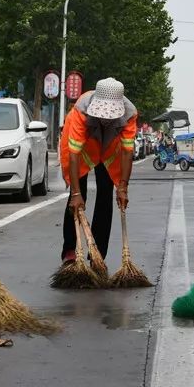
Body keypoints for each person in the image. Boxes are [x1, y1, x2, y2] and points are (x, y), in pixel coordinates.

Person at [59, 77, 137, 268]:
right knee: (77, 198)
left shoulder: (129, 114)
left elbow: (128, 151)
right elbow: (74, 153)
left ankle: (98, 254)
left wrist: (123, 187)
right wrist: (76, 193)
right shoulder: (81, 110)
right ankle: (70, 250)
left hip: (109, 149)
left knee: (105, 195)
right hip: (83, 150)